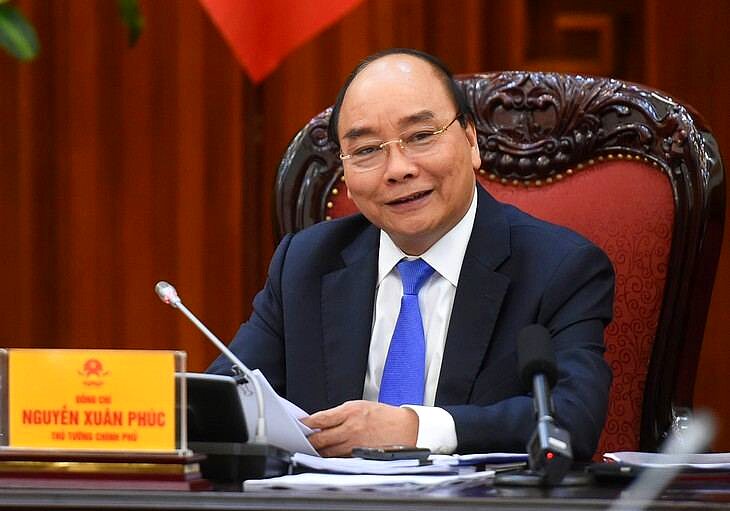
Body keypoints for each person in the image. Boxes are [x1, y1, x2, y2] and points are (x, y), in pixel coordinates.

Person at [208, 48, 614, 460]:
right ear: (345, 172)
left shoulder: (559, 268)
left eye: (421, 137)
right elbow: (221, 403)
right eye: (367, 150)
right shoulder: (305, 264)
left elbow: (570, 420)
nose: (398, 169)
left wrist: (415, 429)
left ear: (471, 141)